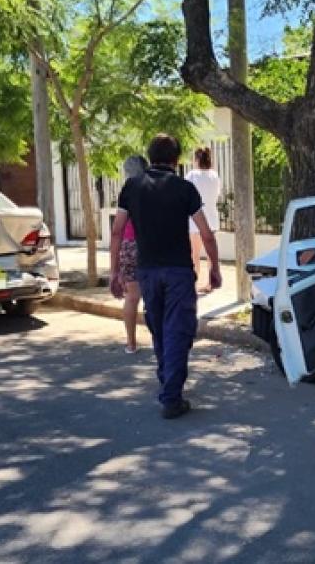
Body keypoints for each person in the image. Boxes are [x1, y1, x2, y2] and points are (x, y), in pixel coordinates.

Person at [110, 134, 221, 420]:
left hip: (147, 272)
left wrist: (115, 272)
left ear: (150, 156)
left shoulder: (132, 187)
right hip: (179, 272)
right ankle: (171, 396)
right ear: (176, 159)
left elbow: (117, 231)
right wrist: (214, 268)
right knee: (178, 330)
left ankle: (167, 379)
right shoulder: (184, 189)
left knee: (159, 326)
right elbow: (206, 234)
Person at [116, 155, 148, 354]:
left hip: (129, 244)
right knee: (154, 295)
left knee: (132, 297)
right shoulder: (154, 189)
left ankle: (131, 343)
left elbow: (117, 229)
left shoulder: (126, 191)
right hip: (151, 245)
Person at [187, 147, 222, 293]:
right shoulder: (214, 175)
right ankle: (210, 282)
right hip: (212, 217)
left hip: (195, 219)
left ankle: (194, 283)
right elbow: (218, 193)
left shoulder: (192, 175)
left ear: (196, 159)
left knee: (194, 253)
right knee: (210, 253)